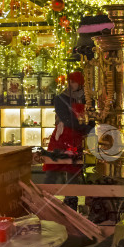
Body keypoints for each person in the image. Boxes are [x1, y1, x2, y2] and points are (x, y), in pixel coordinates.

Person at [43, 71, 88, 209]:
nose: (71, 84)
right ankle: (45, 199)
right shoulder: (61, 98)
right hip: (63, 137)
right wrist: (84, 127)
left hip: (77, 138)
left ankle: (70, 200)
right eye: (70, 81)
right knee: (54, 167)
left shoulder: (87, 98)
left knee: (72, 169)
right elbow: (66, 119)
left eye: (74, 81)